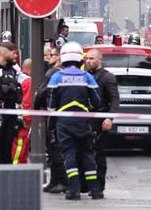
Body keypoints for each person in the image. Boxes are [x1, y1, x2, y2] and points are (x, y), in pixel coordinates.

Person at [46, 42, 102, 200]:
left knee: (69, 153)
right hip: (83, 121)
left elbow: (51, 104)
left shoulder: (57, 77)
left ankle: (74, 190)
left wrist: (53, 123)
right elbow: (96, 101)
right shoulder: (87, 77)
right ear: (80, 59)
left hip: (64, 122)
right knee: (88, 154)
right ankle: (95, 190)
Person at [84, 48, 119, 191]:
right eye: (87, 58)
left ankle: (99, 186)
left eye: (92, 58)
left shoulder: (107, 77)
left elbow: (115, 100)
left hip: (100, 119)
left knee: (98, 152)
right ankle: (85, 184)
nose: (88, 61)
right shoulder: (85, 75)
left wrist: (109, 118)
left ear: (100, 59)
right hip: (86, 119)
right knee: (85, 152)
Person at [36, 45, 68, 193]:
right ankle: (55, 181)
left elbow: (42, 93)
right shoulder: (74, 73)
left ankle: (61, 181)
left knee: (54, 149)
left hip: (52, 115)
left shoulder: (53, 73)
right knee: (59, 149)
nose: (49, 58)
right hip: (66, 116)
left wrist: (36, 106)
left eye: (52, 55)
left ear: (60, 57)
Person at [10, 58, 33, 165]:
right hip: (21, 123)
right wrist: (28, 121)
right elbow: (27, 103)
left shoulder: (14, 78)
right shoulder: (27, 81)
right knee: (20, 151)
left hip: (12, 119)